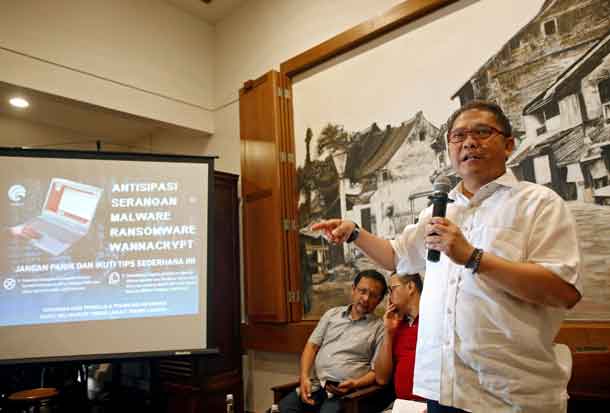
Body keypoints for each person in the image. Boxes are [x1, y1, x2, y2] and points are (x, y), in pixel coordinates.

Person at [312, 100, 582, 413]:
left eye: (482, 132)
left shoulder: (538, 203)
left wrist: (472, 257)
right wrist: (354, 233)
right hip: (441, 389)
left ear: (509, 145)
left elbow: (563, 291)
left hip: (510, 394)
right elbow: (396, 256)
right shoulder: (438, 211)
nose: (469, 141)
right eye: (458, 136)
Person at [279, 269, 388, 413]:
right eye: (362, 291)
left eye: (373, 295)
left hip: (349, 392)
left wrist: (355, 383)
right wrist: (304, 377)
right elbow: (311, 346)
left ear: (379, 301)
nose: (366, 298)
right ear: (353, 290)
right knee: (285, 407)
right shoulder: (331, 315)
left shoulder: (379, 328)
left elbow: (376, 373)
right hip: (318, 385)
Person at [375, 272, 423, 403]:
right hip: (401, 404)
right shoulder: (396, 324)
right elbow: (381, 378)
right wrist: (388, 332)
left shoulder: (434, 320)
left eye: (392, 289)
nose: (389, 297)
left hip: (432, 406)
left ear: (410, 287)